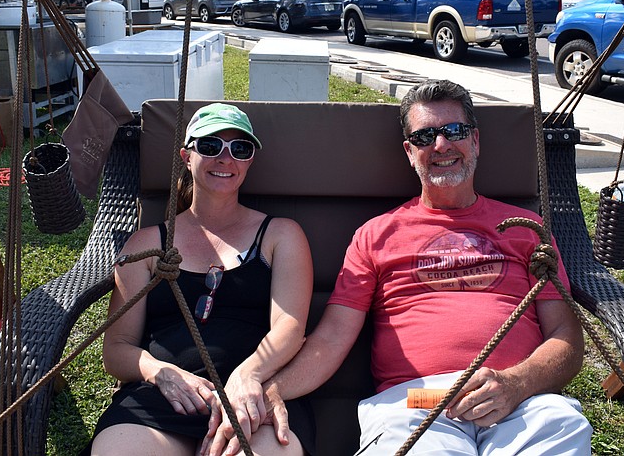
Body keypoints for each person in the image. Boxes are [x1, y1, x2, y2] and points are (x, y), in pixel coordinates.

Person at [206, 80, 592, 455]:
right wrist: (272, 389)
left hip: (520, 399)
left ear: (474, 140)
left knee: (562, 429)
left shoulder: (526, 230)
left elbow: (566, 336)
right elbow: (333, 338)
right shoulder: (376, 235)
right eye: (425, 137)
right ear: (410, 151)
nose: (441, 145)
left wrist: (516, 383)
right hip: (418, 400)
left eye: (454, 131)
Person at [87, 103, 316, 456]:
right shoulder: (148, 244)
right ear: (187, 156)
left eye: (240, 149)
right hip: (164, 398)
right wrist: (159, 371)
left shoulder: (280, 235)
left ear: (250, 160)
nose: (226, 158)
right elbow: (115, 351)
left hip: (255, 398)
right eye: (210, 146)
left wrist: (247, 377)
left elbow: (289, 328)